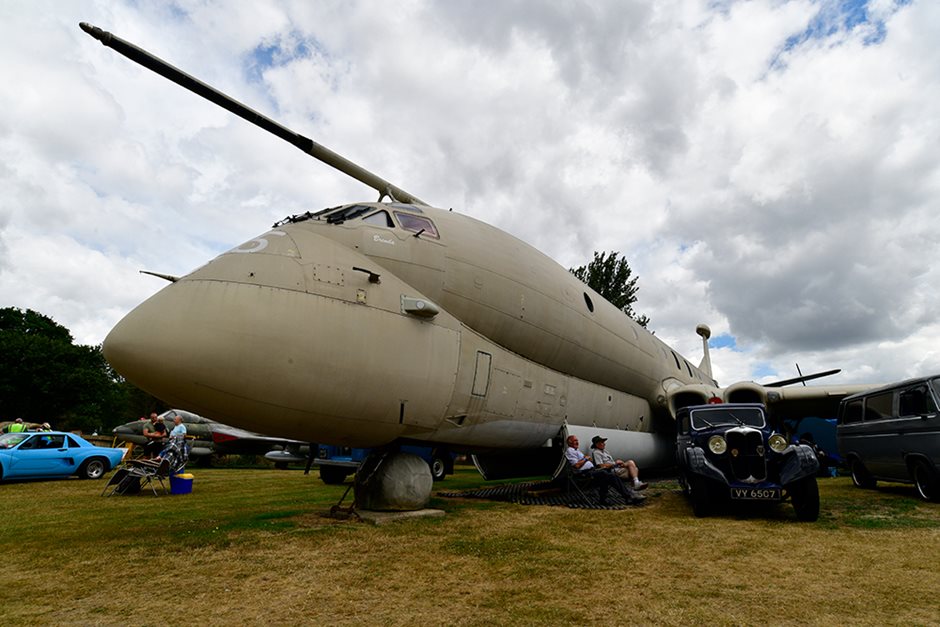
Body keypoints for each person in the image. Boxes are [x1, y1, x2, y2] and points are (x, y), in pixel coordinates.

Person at [565, 435, 642, 506]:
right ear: (569, 442)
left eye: (577, 440)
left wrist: (587, 460)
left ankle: (604, 500)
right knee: (609, 475)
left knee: (606, 476)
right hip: (584, 473)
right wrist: (586, 459)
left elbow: (582, 461)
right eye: (575, 441)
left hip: (591, 470)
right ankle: (628, 496)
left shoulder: (576, 451)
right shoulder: (570, 451)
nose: (577, 442)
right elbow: (576, 465)